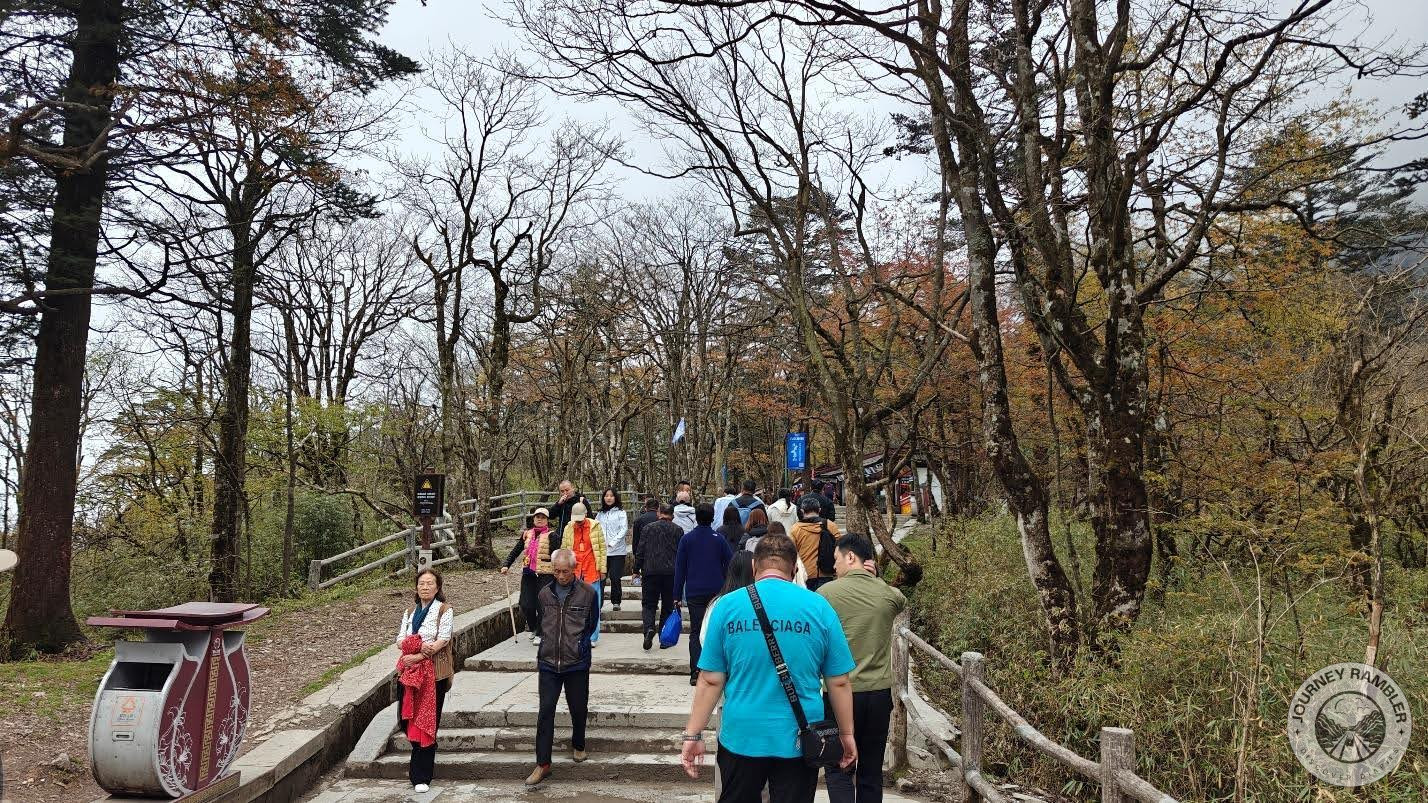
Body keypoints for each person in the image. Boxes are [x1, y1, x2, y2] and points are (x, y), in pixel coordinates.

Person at [679, 533, 857, 802]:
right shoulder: (819, 607)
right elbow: (839, 682)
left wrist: (693, 733)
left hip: (742, 736)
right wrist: (846, 734)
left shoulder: (726, 607)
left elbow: (710, 680)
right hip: (801, 739)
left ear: (754, 567)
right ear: (794, 568)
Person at [818, 534, 908, 803]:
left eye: (836, 560)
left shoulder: (825, 595)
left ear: (851, 557)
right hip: (879, 695)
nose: (834, 567)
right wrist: (876, 577)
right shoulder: (888, 594)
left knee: (838, 767)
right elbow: (899, 599)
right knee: (870, 770)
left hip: (838, 695)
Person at [526, 550, 600, 788]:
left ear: (574, 569)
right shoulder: (544, 593)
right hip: (548, 661)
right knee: (545, 711)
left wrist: (578, 644)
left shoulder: (588, 593)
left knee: (578, 707)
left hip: (576, 662)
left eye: (564, 572)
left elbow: (592, 623)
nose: (560, 576)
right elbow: (541, 622)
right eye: (556, 571)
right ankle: (543, 764)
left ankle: (579, 744)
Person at [396, 569, 456, 794]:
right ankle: (417, 761)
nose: (425, 587)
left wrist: (419, 654)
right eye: (421, 583)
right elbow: (399, 639)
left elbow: (442, 639)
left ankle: (421, 775)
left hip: (433, 673)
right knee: (406, 719)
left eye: (430, 583)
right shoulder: (410, 611)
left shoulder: (444, 610)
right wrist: (417, 646)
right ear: (416, 587)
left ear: (438, 587)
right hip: (409, 672)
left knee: (429, 723)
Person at [674, 503, 733, 686]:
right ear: (713, 516)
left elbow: (680, 568)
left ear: (697, 518)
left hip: (694, 591)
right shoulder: (719, 539)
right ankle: (716, 668)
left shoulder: (687, 539)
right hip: (716, 590)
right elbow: (729, 563)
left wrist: (676, 595)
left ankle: (695, 671)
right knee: (715, 629)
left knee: (695, 631)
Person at [500, 507, 557, 643]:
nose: (539, 519)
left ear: (547, 520)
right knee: (526, 604)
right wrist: (506, 564)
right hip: (528, 573)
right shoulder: (527, 534)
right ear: (533, 519)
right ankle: (535, 628)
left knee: (542, 604)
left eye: (543, 517)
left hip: (545, 574)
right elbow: (516, 550)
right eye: (537, 517)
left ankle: (542, 634)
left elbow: (557, 554)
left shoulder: (552, 535)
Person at [634, 503, 681, 650]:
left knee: (648, 604)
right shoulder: (678, 530)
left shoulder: (648, 528)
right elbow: (681, 553)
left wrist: (636, 569)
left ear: (659, 513)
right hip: (670, 573)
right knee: (667, 605)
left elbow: (640, 550)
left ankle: (648, 628)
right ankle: (664, 638)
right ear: (672, 515)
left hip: (650, 571)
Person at [562, 502, 606, 645]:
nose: (579, 522)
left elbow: (602, 548)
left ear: (586, 515)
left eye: (581, 518)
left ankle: (592, 636)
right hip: (574, 570)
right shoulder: (568, 528)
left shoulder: (595, 526)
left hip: (592, 569)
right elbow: (564, 549)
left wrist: (603, 569)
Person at [790, 494, 842, 591]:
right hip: (827, 573)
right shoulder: (830, 526)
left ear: (802, 511)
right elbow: (841, 548)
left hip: (804, 574)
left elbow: (791, 554)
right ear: (819, 510)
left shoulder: (795, 529)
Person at [595, 489, 630, 611]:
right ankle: (598, 602)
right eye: (606, 496)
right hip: (602, 551)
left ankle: (616, 601)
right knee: (600, 578)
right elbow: (595, 529)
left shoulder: (621, 513)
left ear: (615, 498)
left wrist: (613, 542)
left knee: (615, 577)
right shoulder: (600, 514)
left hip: (617, 551)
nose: (609, 498)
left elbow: (624, 529)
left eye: (611, 496)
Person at [630, 497, 660, 585]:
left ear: (645, 508)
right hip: (660, 553)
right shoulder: (661, 519)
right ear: (658, 508)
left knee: (647, 581)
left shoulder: (639, 520)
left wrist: (636, 560)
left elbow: (635, 541)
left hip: (644, 554)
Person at [552, 479, 592, 545]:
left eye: (567, 490)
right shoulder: (560, 502)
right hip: (563, 537)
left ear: (572, 489)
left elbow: (590, 518)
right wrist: (558, 504)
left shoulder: (581, 500)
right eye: (562, 491)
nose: (565, 493)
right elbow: (551, 515)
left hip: (578, 536)